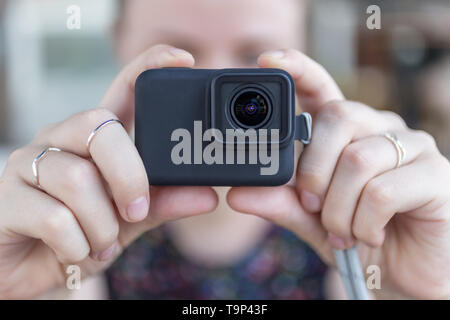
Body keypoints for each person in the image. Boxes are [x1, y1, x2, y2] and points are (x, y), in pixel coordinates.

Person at [1, 0, 450, 299]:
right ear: (119, 40)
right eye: (180, 54)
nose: (216, 76)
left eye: (253, 55)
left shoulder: (365, 227)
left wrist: (423, 289)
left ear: (304, 53)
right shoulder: (54, 229)